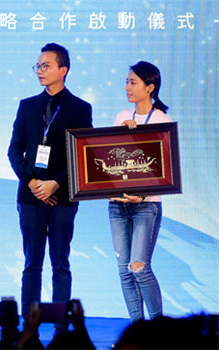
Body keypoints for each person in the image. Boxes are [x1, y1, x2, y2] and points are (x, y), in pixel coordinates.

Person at [7, 43, 93, 331]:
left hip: (63, 197)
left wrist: (55, 183)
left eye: (46, 66)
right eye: (38, 66)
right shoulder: (27, 106)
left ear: (63, 70)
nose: (40, 71)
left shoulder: (80, 108)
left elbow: (81, 154)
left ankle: (60, 328)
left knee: (60, 264)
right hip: (30, 197)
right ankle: (27, 326)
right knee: (32, 264)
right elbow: (14, 150)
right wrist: (33, 183)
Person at [109, 61, 172, 322]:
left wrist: (143, 195)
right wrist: (120, 134)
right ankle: (137, 331)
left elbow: (166, 169)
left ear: (150, 88)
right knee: (125, 270)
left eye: (133, 82)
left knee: (139, 266)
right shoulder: (121, 116)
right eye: (126, 81)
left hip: (147, 205)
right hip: (117, 204)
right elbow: (107, 162)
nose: (127, 87)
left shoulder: (162, 120)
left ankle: (158, 330)